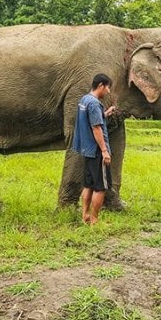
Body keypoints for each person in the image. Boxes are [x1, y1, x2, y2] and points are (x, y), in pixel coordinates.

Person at [72, 73, 115, 225]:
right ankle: (95, 219)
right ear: (101, 86)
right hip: (97, 151)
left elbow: (91, 119)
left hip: (87, 149)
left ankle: (85, 215)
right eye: (108, 87)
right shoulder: (95, 103)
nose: (108, 91)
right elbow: (96, 127)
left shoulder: (84, 100)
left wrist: (104, 115)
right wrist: (104, 151)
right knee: (100, 187)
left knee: (88, 185)